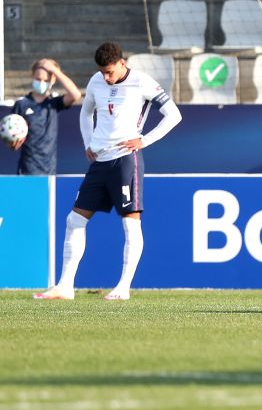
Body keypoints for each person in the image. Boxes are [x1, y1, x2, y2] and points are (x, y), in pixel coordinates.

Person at [34, 42, 182, 301]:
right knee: (74, 220)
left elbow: (173, 114)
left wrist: (144, 141)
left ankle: (123, 287)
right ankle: (65, 286)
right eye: (102, 72)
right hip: (99, 161)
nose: (106, 77)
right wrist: (88, 142)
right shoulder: (96, 81)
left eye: (110, 72)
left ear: (122, 63)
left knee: (130, 223)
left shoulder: (142, 82)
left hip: (126, 160)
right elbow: (85, 113)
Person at [7, 58, 82, 175]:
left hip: (48, 171)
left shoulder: (54, 102)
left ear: (52, 81)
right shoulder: (21, 104)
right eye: (38, 79)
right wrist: (12, 143)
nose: (41, 83)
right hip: (27, 170)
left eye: (46, 80)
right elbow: (11, 136)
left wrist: (54, 70)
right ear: (32, 76)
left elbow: (75, 94)